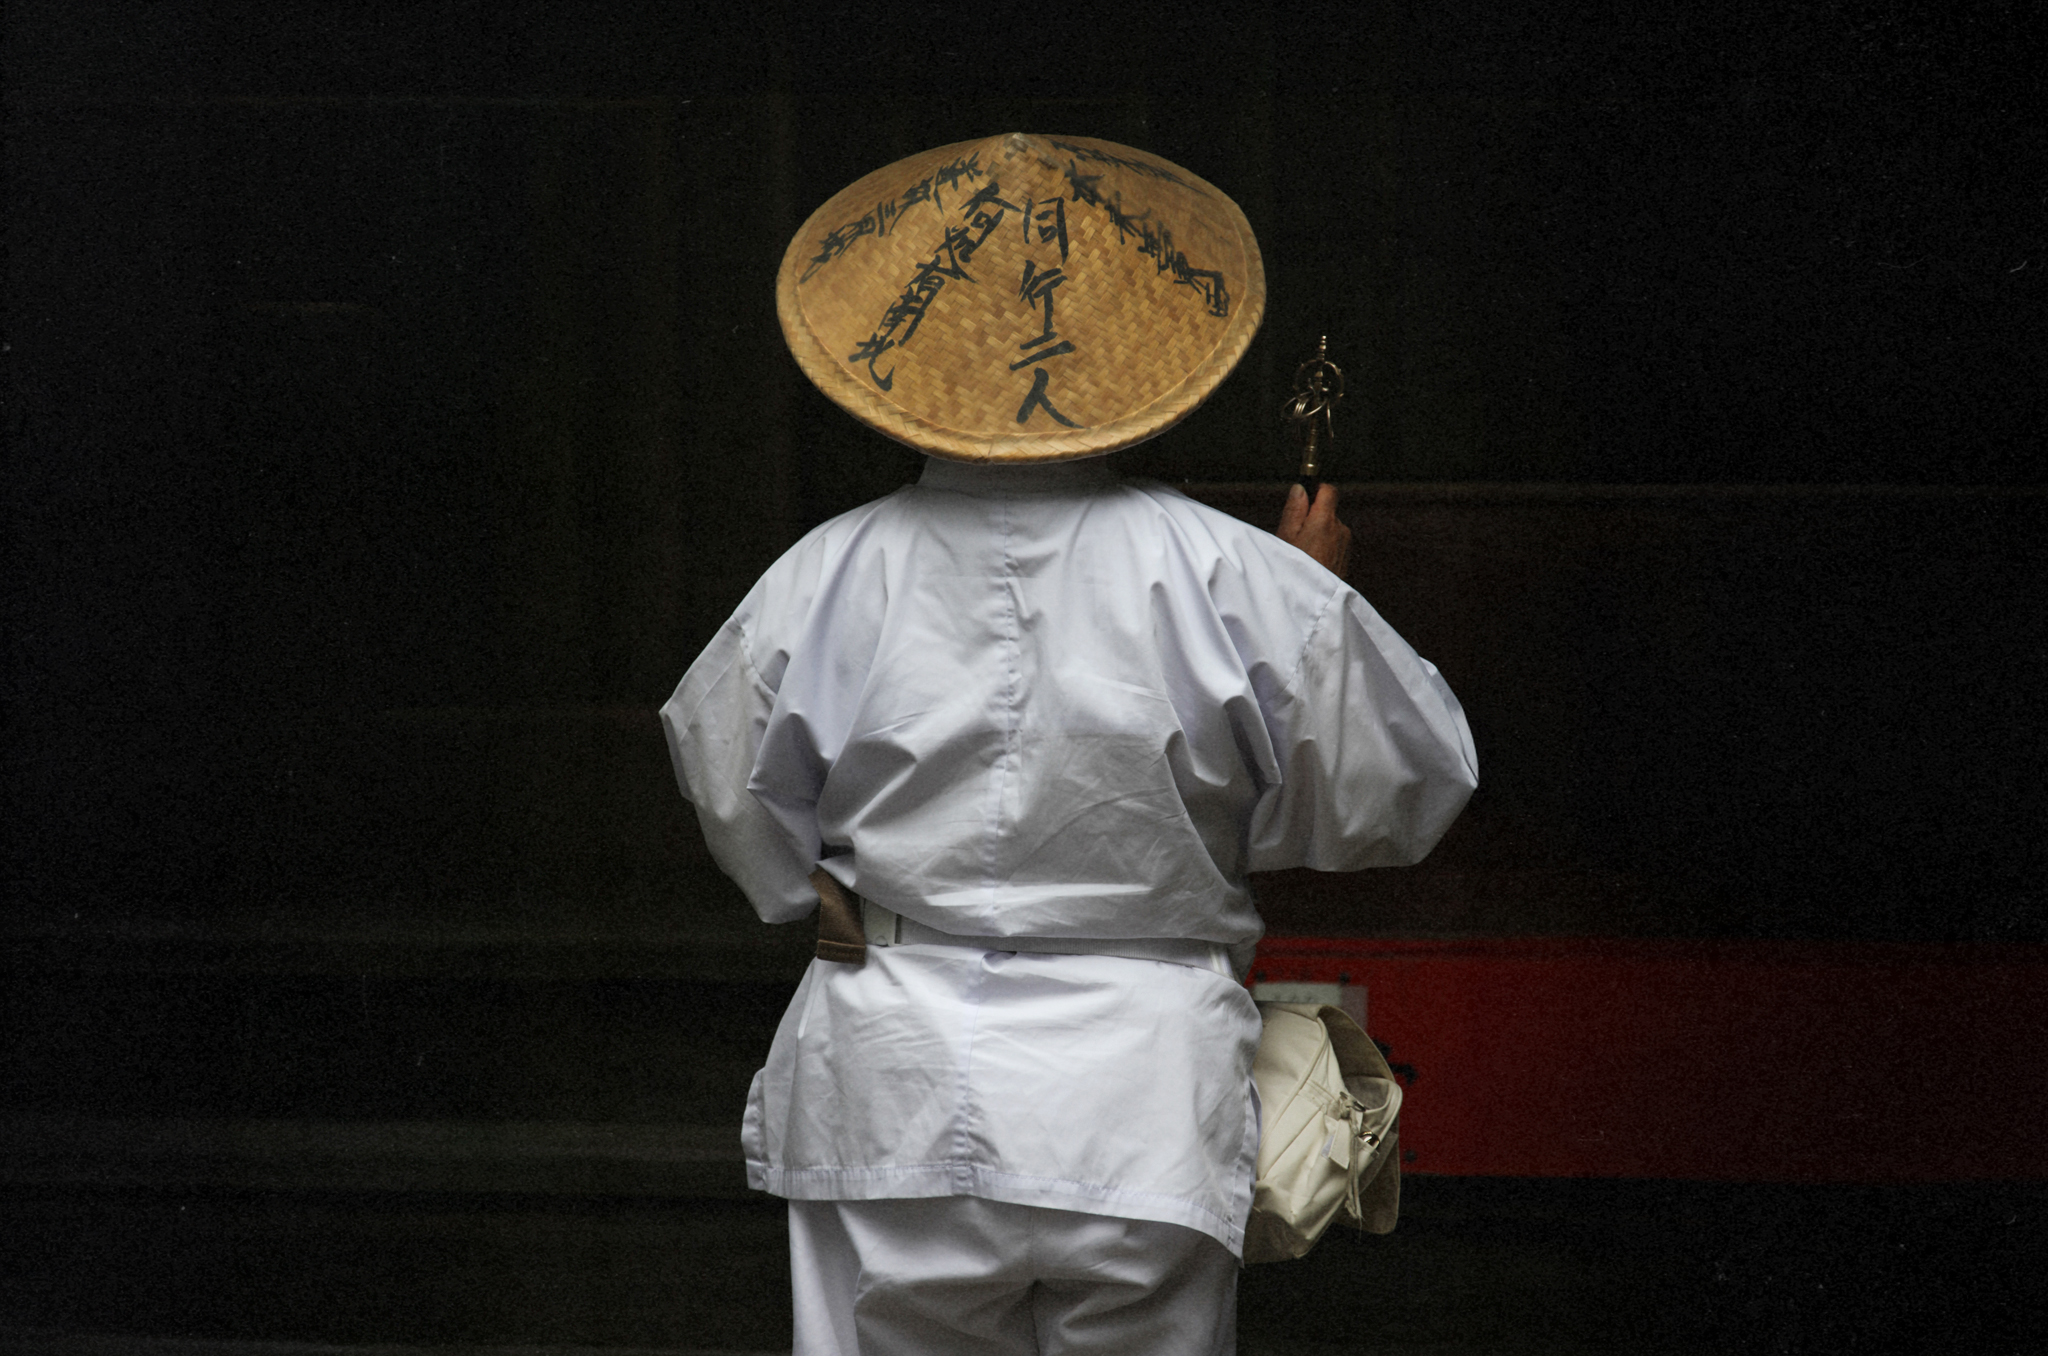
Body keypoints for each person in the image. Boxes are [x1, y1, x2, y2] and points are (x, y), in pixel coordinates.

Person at [660, 133, 1477, 1356]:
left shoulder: (817, 577)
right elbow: (1403, 794)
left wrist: (824, 899)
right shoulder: (1229, 571)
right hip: (1135, 1092)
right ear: (1138, 366)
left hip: (893, 1068)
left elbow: (738, 804)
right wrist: (1313, 614)